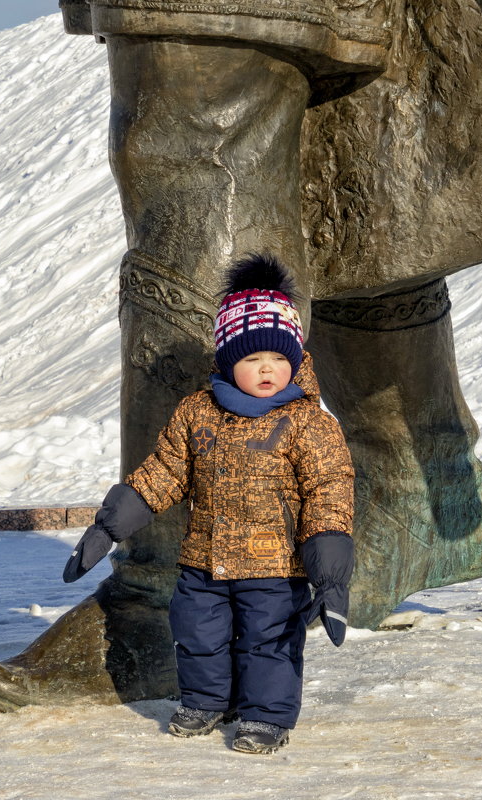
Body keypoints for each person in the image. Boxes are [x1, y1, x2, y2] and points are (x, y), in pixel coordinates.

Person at [62, 253, 356, 754]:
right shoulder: (197, 411)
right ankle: (206, 700)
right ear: (226, 360)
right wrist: (109, 526)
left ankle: (266, 715)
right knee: (197, 633)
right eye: (252, 359)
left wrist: (329, 575)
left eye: (280, 359)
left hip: (275, 565)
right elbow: (164, 471)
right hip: (205, 559)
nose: (268, 370)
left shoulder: (309, 423)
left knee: (269, 641)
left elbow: (329, 493)